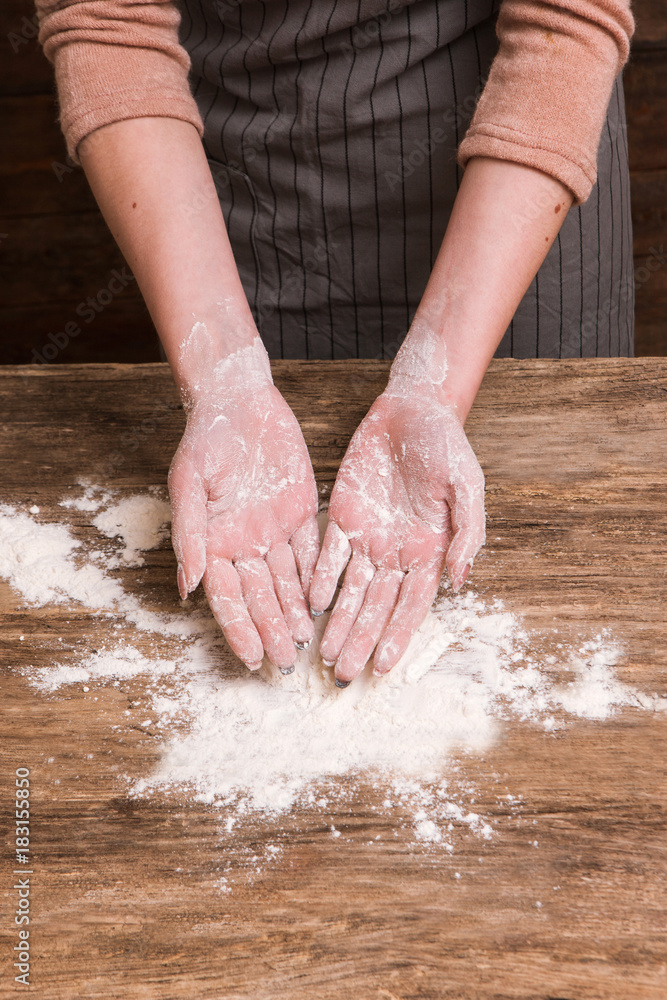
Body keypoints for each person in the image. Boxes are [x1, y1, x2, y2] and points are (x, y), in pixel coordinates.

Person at [36, 0, 634, 687]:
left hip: (518, 161)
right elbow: (110, 25)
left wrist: (432, 390)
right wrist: (224, 376)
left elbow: (567, 20)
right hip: (253, 168)